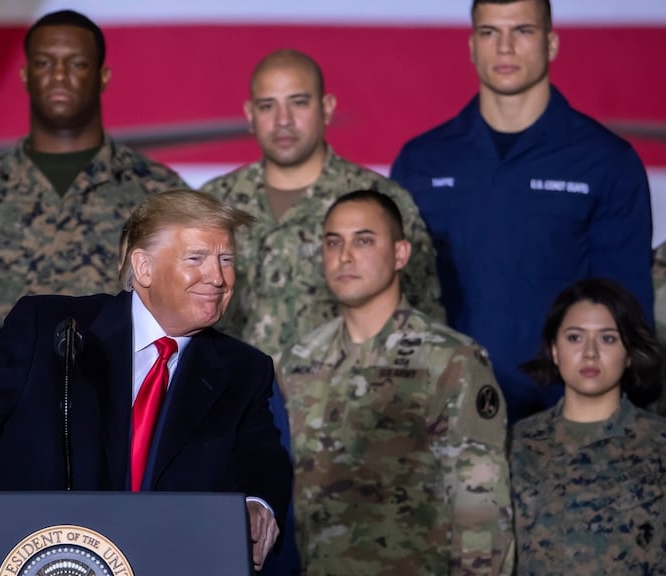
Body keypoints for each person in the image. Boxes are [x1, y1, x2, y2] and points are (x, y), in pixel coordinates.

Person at [0, 189, 291, 571]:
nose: (218, 277)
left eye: (226, 259)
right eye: (196, 258)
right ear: (144, 267)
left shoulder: (243, 370)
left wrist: (259, 504)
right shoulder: (51, 330)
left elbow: (261, 457)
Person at [390, 0, 653, 424]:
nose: (506, 47)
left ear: (551, 43)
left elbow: (626, 313)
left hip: (566, 425)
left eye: (523, 31)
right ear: (472, 46)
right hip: (443, 419)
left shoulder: (606, 162)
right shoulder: (422, 162)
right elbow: (396, 302)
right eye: (490, 32)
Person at [280, 190, 513, 575]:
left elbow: (481, 510)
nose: (345, 256)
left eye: (364, 240)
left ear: (401, 254)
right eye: (333, 242)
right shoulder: (297, 362)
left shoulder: (449, 359)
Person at [0, 9, 187, 353]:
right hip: (1, 401)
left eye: (77, 64)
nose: (60, 76)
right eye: (44, 63)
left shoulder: (159, 195)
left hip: (126, 400)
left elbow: (187, 315)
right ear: (24, 75)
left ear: (103, 76)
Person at [201, 49, 443, 361]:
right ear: (249, 115)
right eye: (267, 106)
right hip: (234, 400)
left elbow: (425, 316)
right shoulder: (213, 203)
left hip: (345, 398)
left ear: (326, 108)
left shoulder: (380, 200)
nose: (283, 121)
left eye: (299, 102)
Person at [512, 278, 666, 574]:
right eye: (575, 338)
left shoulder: (658, 443)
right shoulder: (518, 443)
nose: (590, 353)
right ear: (554, 350)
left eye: (608, 338)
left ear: (630, 352)